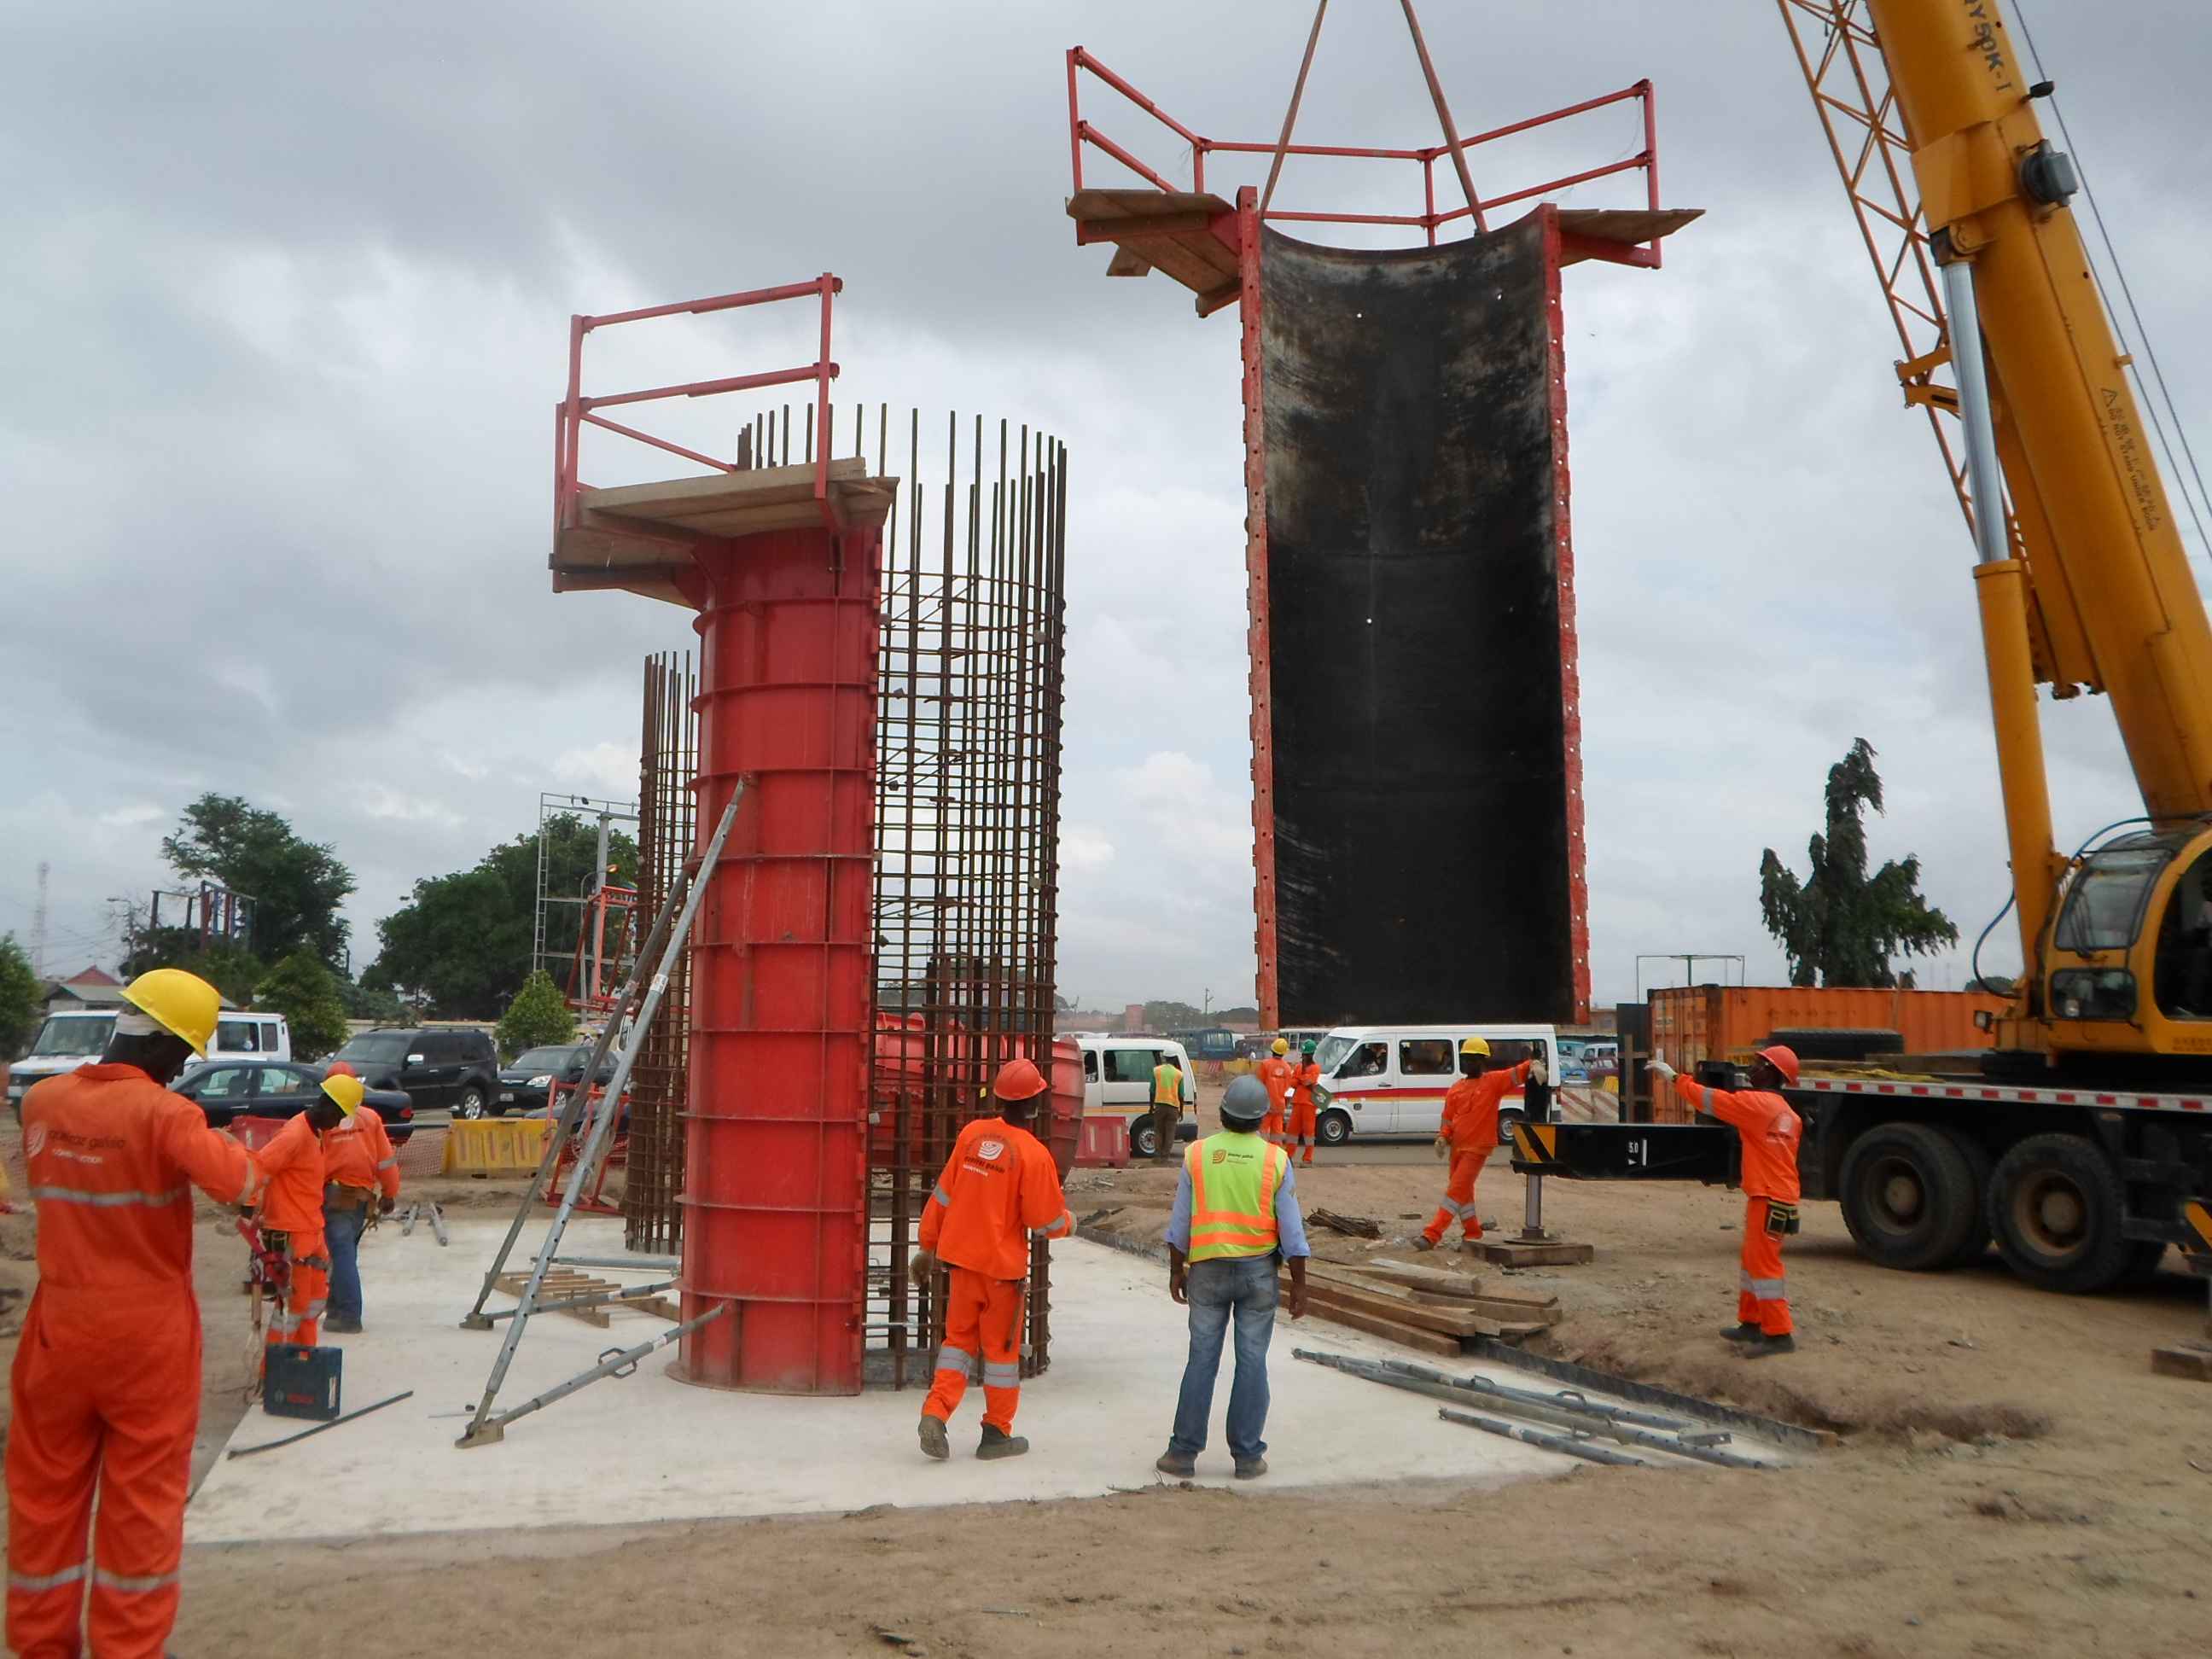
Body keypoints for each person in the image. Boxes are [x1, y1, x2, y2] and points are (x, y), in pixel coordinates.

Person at [8, 968, 262, 1659]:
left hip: (58, 1329)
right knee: (141, 1504)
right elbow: (241, 1183)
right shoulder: (166, 1114)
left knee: (43, 1496)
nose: (182, 1066)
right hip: (145, 1337)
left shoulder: (43, 1101)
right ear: (165, 1046)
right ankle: (127, 1648)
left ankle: (39, 1644)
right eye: (183, 1053)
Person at [911, 1057, 1075, 1462]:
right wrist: (1068, 1222)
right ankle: (996, 1434)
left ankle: (935, 1412)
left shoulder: (971, 1135)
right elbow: (1045, 1220)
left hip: (960, 1264)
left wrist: (927, 1246)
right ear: (1036, 1102)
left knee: (957, 1345)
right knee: (1001, 1356)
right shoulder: (1033, 1155)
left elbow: (942, 1196)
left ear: (999, 1098)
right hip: (1001, 1273)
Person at [1156, 1074, 1311, 1481]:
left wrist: (1177, 1267)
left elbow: (1180, 1223)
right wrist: (1300, 1284)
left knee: (1202, 1359)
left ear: (1223, 1112)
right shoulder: (1276, 1160)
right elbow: (1292, 1231)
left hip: (1206, 1271)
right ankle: (1246, 1457)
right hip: (1258, 1273)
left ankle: (1182, 1453)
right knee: (1252, 1361)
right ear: (1262, 1119)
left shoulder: (1197, 1154)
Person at [1647, 1045, 1802, 1357]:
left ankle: (1779, 1334)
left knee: (1763, 1263)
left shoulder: (1757, 1105)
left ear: (1773, 1073)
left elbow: (1710, 1101)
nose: (1752, 1069)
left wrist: (1675, 1077)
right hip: (1776, 1193)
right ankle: (1751, 1321)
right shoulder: (1787, 1113)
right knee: (1752, 1261)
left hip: (1769, 1194)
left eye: (1760, 1064)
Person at [255, 1071, 356, 1359]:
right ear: (326, 1105)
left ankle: (305, 1358)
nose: (338, 1125)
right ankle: (273, 1371)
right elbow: (262, 1166)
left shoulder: (316, 1135)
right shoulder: (295, 1134)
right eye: (338, 1116)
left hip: (311, 1228)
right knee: (292, 1309)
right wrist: (251, 1207)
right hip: (291, 1231)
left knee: (313, 1303)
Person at [1417, 1038, 1546, 1252]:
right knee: (1464, 1194)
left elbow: (1516, 1074)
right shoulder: (1456, 1088)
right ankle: (1473, 1232)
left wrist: (1534, 1064)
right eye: (1466, 1059)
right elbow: (1449, 1119)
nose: (1469, 1063)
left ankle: (1432, 1234)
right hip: (1457, 1148)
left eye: (1474, 1059)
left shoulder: (1493, 1082)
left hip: (1477, 1148)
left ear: (1483, 1061)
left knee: (1455, 1192)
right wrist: (1443, 1137)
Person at [319, 1062, 400, 1333]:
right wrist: (389, 1194)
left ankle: (349, 1315)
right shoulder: (370, 1118)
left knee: (341, 1255)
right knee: (344, 1255)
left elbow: (313, 1163)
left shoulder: (324, 1119)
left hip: (335, 1196)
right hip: (361, 1198)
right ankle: (336, 1308)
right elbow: (386, 1163)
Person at [1285, 1039, 1323, 1166]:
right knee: (1292, 1132)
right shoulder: (1298, 1067)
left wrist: (1301, 1078)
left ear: (1311, 1054)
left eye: (1306, 1054)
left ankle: (1307, 1159)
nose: (1304, 1057)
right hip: (1298, 1102)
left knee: (1309, 1133)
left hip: (1309, 1104)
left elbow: (1309, 1082)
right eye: (1304, 1054)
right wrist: (1302, 1078)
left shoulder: (1316, 1067)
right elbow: (1293, 1083)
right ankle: (1288, 1157)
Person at [1255, 1038, 1295, 1146]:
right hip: (1279, 1106)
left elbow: (1259, 1084)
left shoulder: (1265, 1064)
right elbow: (1287, 1087)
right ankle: (1276, 1157)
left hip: (1266, 1105)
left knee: (1263, 1133)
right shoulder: (1287, 1068)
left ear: (1272, 1050)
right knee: (1277, 1135)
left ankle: (1262, 1155)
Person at [1149, 1051, 1185, 1161]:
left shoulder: (1157, 1071)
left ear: (1165, 1058)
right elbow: (1181, 1095)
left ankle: (1158, 1155)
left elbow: (1152, 1091)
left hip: (1159, 1105)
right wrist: (1181, 1110)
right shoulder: (1179, 1074)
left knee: (1158, 1130)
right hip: (1173, 1106)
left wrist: (1151, 1106)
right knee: (1170, 1132)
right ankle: (1165, 1156)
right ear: (1174, 1059)